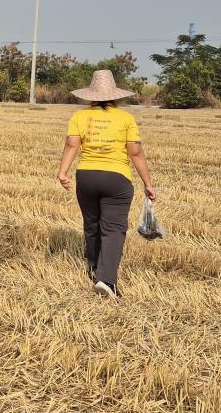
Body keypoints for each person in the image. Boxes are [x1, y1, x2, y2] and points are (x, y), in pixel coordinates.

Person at [55, 69, 155, 299]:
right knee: (113, 229)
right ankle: (106, 280)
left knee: (92, 224)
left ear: (90, 95)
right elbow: (136, 152)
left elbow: (72, 145)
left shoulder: (79, 117)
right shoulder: (126, 119)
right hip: (116, 178)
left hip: (86, 176)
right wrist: (148, 183)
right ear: (116, 95)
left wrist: (63, 172)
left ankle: (93, 268)